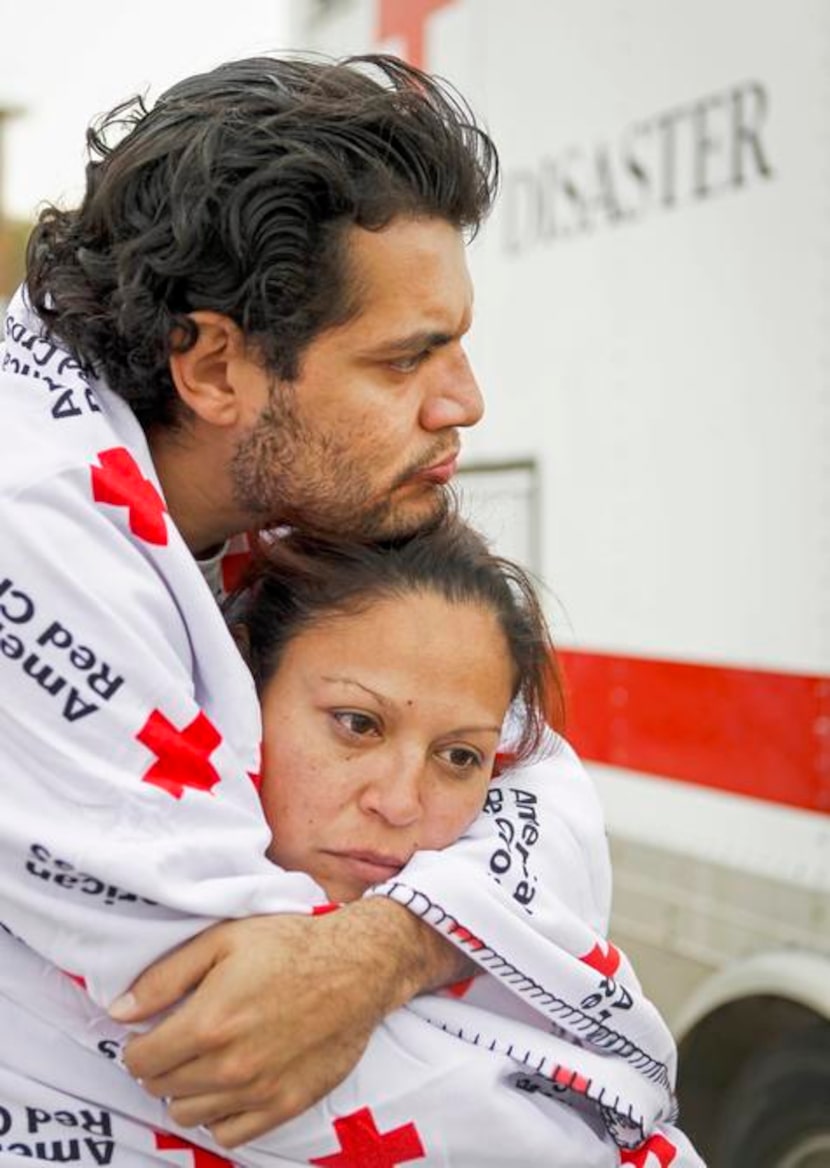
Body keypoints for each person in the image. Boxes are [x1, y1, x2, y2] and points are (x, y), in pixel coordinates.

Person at [0, 52, 700, 1166]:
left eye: (458, 344)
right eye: (404, 359)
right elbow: (238, 1042)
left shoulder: (252, 484)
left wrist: (382, 943)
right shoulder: (30, 529)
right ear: (216, 366)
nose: (463, 400)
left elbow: (540, 785)